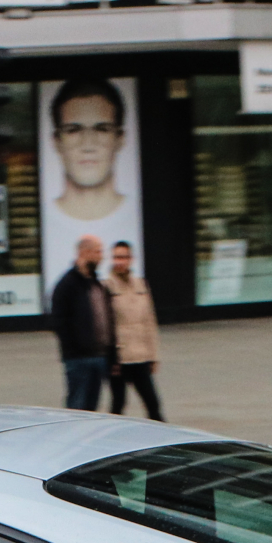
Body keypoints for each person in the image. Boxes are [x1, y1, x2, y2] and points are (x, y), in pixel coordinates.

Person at [48, 80, 130, 224]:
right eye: (73, 130)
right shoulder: (45, 214)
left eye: (102, 129)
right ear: (56, 141)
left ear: (120, 139)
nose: (88, 145)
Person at [50, 234, 115, 411]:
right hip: (78, 359)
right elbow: (58, 321)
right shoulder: (67, 284)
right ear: (84, 253)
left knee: (92, 408)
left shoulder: (96, 283)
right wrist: (73, 349)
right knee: (78, 406)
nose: (102, 256)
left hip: (99, 356)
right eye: (98, 251)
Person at [103, 242, 163, 420]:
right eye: (115, 257)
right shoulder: (106, 286)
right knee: (118, 404)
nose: (119, 262)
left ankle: (162, 438)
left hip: (140, 356)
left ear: (131, 259)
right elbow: (105, 325)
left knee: (153, 403)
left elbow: (149, 321)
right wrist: (109, 357)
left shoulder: (141, 285)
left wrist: (153, 355)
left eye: (122, 257)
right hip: (119, 358)